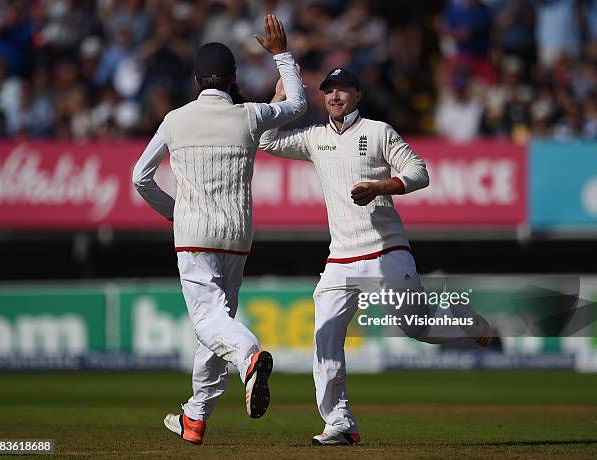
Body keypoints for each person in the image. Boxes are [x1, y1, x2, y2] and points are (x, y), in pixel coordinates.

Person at [259, 67, 494, 445]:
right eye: (329, 90)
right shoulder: (316, 138)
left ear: (358, 94)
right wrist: (279, 99)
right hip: (340, 258)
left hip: (386, 249)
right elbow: (267, 140)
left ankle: (459, 318)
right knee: (325, 336)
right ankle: (339, 422)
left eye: (343, 90)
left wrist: (382, 186)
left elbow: (420, 172)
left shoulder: (378, 131)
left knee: (419, 328)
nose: (335, 97)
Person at [132, 15, 307, 445]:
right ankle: (195, 416)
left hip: (194, 234)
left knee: (209, 322)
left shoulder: (175, 120)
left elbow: (140, 177)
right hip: (237, 237)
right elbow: (299, 106)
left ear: (196, 80)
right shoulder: (248, 115)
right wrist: (282, 55)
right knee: (217, 323)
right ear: (232, 79)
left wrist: (174, 212)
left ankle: (249, 358)